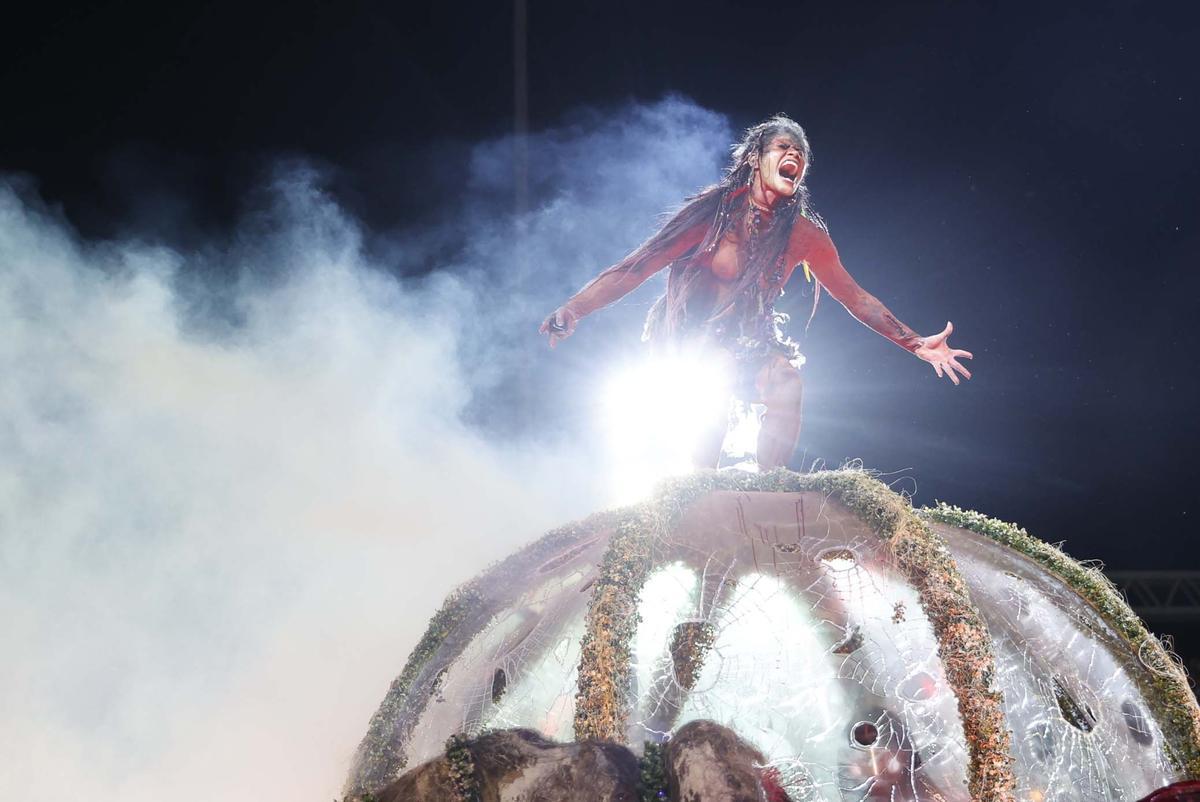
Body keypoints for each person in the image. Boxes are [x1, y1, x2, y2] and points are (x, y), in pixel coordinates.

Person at [540, 114, 972, 470]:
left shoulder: (804, 235)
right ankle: (701, 483)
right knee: (716, 371)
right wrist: (575, 309)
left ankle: (773, 486)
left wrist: (916, 343)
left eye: (801, 154)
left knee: (786, 381)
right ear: (755, 158)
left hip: (751, 340)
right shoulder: (711, 214)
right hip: (690, 341)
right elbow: (637, 267)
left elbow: (855, 297)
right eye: (783, 148)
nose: (794, 156)